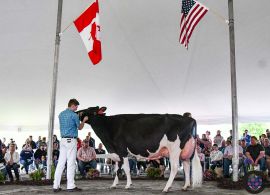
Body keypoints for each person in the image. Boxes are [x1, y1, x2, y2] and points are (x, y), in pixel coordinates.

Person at [53, 99, 88, 192]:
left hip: (63, 140)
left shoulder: (61, 114)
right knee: (71, 163)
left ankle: (56, 185)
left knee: (60, 163)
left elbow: (69, 122)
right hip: (71, 140)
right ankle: (70, 185)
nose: (77, 108)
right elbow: (79, 128)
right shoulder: (74, 115)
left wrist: (77, 116)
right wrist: (83, 120)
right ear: (72, 105)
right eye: (76, 106)